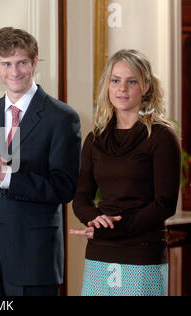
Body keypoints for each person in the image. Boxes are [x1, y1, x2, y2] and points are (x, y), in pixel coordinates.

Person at [0, 27, 82, 296]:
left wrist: (5, 175)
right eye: (6, 64)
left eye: (22, 63)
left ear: (34, 62)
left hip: (34, 258)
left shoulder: (62, 118)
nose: (14, 72)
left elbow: (64, 187)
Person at [70, 49, 181, 296]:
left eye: (132, 81)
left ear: (146, 87)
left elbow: (165, 204)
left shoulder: (162, 137)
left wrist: (111, 230)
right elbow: (81, 197)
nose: (122, 88)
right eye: (115, 80)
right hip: (100, 251)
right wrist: (93, 219)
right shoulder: (95, 138)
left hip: (142, 250)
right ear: (107, 86)